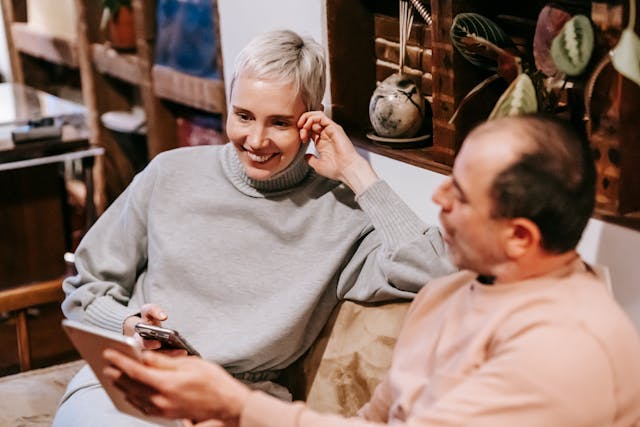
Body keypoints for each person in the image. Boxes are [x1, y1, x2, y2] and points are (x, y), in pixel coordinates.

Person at [103, 114, 640, 427]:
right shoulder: (452, 293)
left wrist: (235, 404)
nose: (438, 197)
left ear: (520, 236)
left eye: (459, 194)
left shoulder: (565, 348)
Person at [53, 29, 454, 426]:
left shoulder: (344, 215)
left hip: (237, 401)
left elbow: (437, 272)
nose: (256, 140)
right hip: (139, 376)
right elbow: (83, 290)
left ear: (311, 122)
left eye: (280, 123)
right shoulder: (169, 174)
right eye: (243, 116)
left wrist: (357, 173)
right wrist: (130, 325)